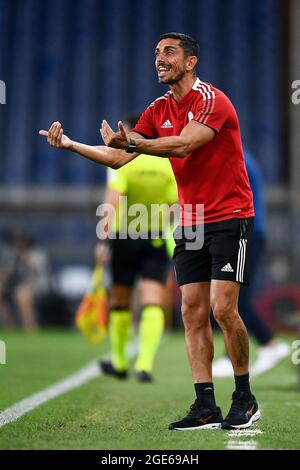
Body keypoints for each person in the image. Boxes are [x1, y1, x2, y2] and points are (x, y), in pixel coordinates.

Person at [39, 32, 260, 430]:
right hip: (191, 218)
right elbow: (119, 156)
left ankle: (244, 397)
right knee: (191, 311)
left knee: (222, 309)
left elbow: (183, 146)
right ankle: (205, 404)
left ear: (191, 61)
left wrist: (137, 144)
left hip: (230, 215)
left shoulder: (212, 100)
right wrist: (72, 144)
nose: (159, 58)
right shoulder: (158, 108)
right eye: (156, 53)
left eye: (169, 52)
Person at [96, 114, 178, 382]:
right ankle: (144, 364)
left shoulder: (122, 162)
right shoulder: (166, 163)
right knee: (152, 298)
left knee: (120, 298)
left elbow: (113, 199)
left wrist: (103, 240)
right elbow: (172, 208)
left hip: (124, 236)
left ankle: (120, 362)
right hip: (154, 236)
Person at [213, 151, 290, 377]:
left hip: (245, 232)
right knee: (231, 299)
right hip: (247, 232)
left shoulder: (234, 159)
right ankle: (242, 352)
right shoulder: (240, 157)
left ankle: (268, 345)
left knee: (234, 301)